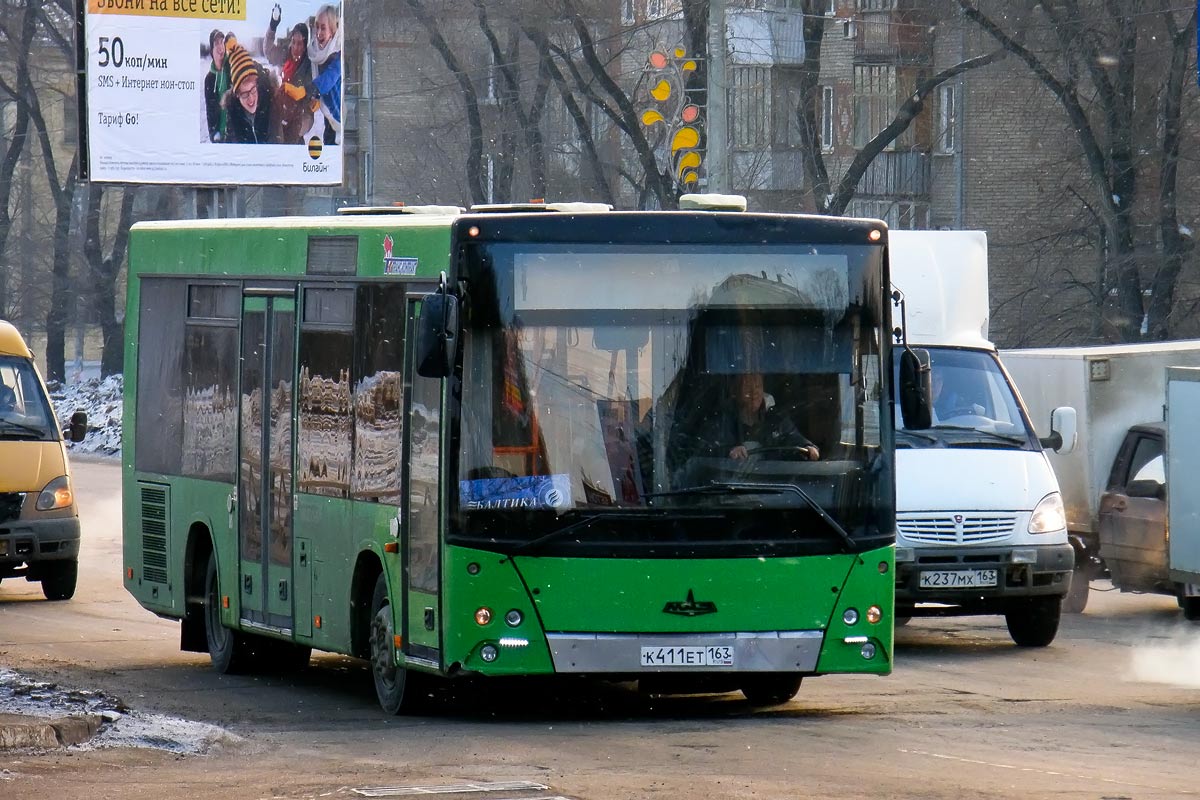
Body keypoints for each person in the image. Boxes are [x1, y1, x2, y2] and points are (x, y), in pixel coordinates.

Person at [717, 372, 819, 461]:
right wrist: (729, 451)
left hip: (773, 479)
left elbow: (795, 438)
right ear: (735, 392)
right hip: (732, 479)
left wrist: (809, 447)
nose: (754, 393)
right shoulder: (723, 422)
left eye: (757, 387)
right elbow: (708, 450)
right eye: (747, 388)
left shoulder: (778, 420)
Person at [263, 5, 316, 144]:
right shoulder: (284, 55)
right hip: (278, 119)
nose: (296, 47)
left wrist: (297, 127)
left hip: (297, 124)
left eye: (300, 43)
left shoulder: (309, 68)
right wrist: (273, 25)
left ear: (305, 46)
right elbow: (267, 50)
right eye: (294, 42)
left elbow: (310, 107)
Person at [223, 40, 274, 144]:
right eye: (245, 94)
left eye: (253, 90)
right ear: (237, 95)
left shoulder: (272, 105)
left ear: (257, 84)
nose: (251, 99)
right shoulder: (232, 118)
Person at [308, 4, 343, 145]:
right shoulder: (315, 51)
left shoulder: (339, 53)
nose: (319, 33)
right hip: (328, 116)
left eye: (323, 28)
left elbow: (330, 77)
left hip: (339, 119)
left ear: (333, 31)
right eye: (317, 27)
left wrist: (312, 89)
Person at [203, 29, 230, 142]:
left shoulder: (232, 68)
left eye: (222, 42)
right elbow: (210, 110)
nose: (220, 47)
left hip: (234, 133)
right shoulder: (209, 79)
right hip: (220, 136)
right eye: (216, 44)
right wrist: (214, 133)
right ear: (212, 51)